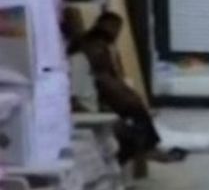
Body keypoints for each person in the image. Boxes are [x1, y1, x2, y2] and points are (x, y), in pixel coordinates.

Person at [68, 11, 186, 165]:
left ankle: (148, 148)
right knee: (132, 124)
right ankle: (147, 150)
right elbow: (106, 83)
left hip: (100, 99)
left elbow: (108, 81)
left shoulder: (92, 47)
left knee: (135, 114)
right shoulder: (94, 49)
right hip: (93, 106)